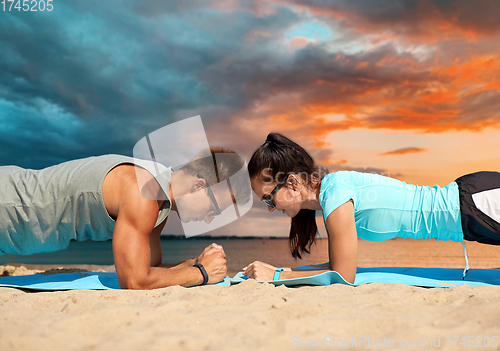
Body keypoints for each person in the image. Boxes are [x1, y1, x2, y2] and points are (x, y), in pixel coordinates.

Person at [243, 133, 500, 284]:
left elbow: (343, 275)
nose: (269, 208)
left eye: (268, 198)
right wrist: (279, 271)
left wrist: (276, 275)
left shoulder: (336, 194)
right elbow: (338, 266)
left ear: (291, 182)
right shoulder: (332, 195)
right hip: (471, 219)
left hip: (475, 204)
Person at [0, 147, 251, 289]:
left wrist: (193, 262)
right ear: (199, 186)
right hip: (7, 208)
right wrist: (202, 273)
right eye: (213, 210)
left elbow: (149, 267)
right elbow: (135, 281)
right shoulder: (144, 194)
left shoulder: (158, 201)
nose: (209, 220)